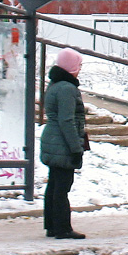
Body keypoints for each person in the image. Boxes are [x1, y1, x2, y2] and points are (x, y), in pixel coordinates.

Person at [39, 47, 89, 240]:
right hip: (62, 143)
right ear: (71, 67)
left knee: (54, 184)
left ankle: (51, 226)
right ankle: (62, 228)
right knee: (62, 186)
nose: (80, 68)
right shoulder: (68, 89)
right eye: (79, 65)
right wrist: (75, 149)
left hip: (52, 140)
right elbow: (66, 120)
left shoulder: (54, 85)